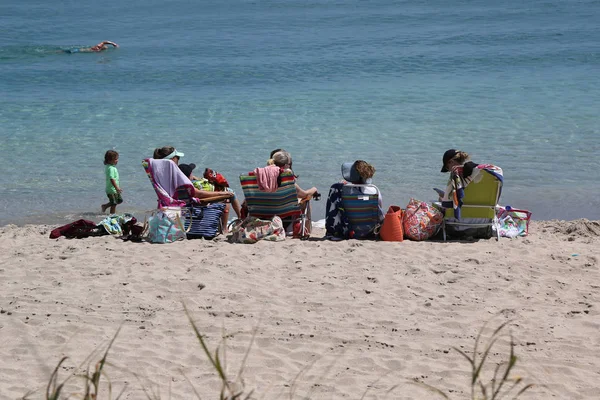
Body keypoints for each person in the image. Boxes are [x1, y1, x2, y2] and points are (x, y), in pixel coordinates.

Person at [178, 163, 242, 227]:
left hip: (188, 206)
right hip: (197, 205)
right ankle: (233, 223)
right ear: (189, 175)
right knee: (228, 195)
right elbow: (199, 193)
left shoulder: (178, 183)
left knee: (227, 193)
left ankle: (238, 219)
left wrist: (195, 178)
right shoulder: (188, 186)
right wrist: (222, 193)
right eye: (192, 173)